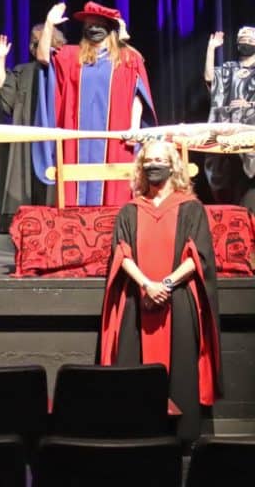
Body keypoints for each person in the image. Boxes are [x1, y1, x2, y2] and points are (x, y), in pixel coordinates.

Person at [99, 141, 222, 442]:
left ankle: (181, 439)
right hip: (137, 300)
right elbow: (121, 254)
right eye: (149, 161)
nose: (154, 165)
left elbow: (197, 258)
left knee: (180, 370)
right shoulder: (130, 211)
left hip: (177, 300)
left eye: (160, 160)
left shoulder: (191, 208)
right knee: (134, 370)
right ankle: (136, 434)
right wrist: (146, 285)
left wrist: (165, 285)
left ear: (173, 165)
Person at [36, 1, 157, 206]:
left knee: (116, 196)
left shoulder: (128, 59)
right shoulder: (72, 56)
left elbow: (138, 95)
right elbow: (43, 57)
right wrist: (49, 23)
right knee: (76, 193)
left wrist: (135, 128)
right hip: (78, 137)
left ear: (109, 29)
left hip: (116, 137)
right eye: (89, 24)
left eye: (98, 23)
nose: (93, 28)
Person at [0, 24, 65, 221]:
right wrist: (1, 60)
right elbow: (7, 100)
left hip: (56, 134)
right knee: (27, 179)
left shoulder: (64, 70)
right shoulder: (22, 71)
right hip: (28, 135)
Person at [204, 27, 255, 211]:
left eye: (249, 38)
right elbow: (210, 78)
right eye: (242, 37)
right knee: (227, 191)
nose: (245, 41)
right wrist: (211, 49)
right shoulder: (228, 69)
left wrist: (249, 105)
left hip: (251, 142)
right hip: (227, 141)